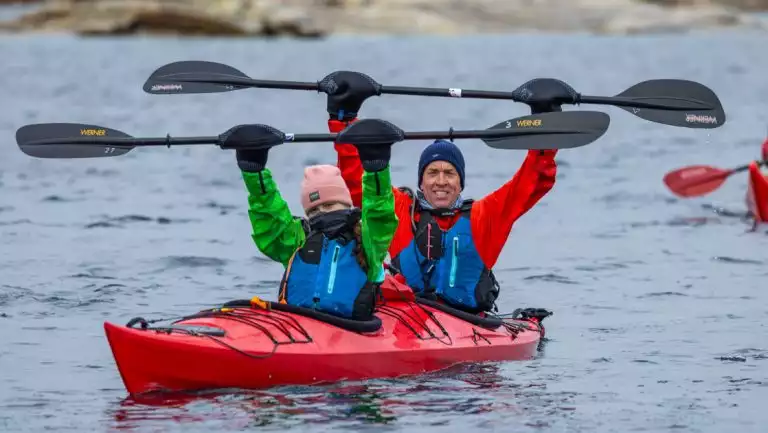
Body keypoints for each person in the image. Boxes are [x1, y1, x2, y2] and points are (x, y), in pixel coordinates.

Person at [322, 72, 560, 314]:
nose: (441, 181)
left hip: (468, 323)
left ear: (460, 183)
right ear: (421, 182)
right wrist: (344, 118)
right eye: (433, 172)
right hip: (405, 322)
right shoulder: (400, 210)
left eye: (450, 173)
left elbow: (531, 180)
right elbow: (360, 179)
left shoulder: (484, 216)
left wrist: (545, 125)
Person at [234, 134, 398, 321]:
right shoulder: (299, 240)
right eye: (313, 211)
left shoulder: (369, 242)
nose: (322, 214)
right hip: (298, 327)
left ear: (346, 206)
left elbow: (379, 212)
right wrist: (254, 170)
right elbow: (270, 217)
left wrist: (376, 168)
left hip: (350, 330)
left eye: (329, 206)